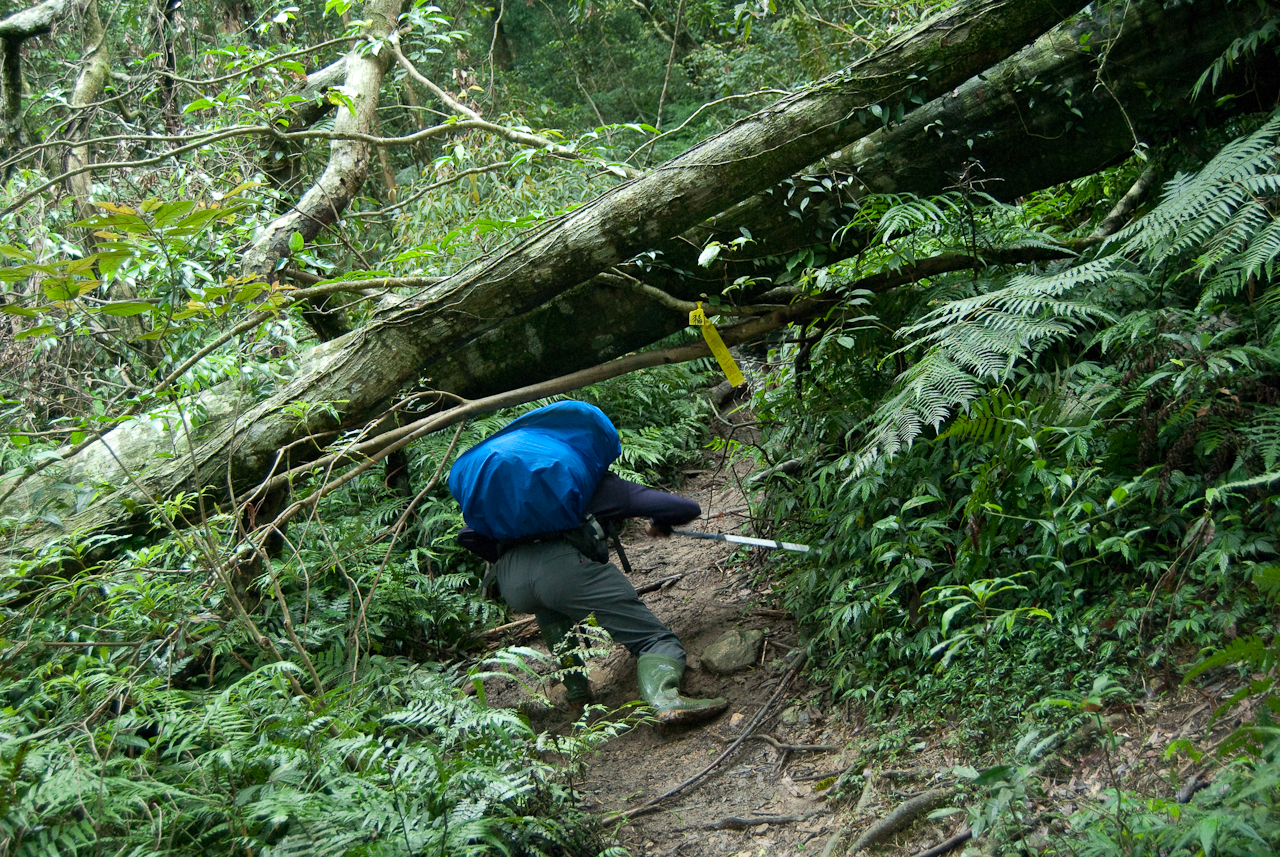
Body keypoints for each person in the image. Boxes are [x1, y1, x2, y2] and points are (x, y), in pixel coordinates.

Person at [457, 471, 727, 726]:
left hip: (512, 582)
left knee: (549, 607)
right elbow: (685, 509)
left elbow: (467, 536)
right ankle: (665, 700)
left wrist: (517, 558)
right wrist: (659, 523)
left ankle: (577, 693)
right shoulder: (592, 483)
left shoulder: (509, 495)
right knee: (652, 640)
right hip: (565, 571)